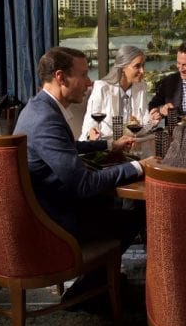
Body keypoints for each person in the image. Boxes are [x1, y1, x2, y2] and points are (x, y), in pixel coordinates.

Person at [13, 46, 148, 249]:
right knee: (138, 212)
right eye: (84, 74)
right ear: (60, 77)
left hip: (49, 205)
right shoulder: (46, 120)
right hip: (55, 222)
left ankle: (102, 276)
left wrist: (110, 144)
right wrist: (140, 166)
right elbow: (84, 184)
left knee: (111, 203)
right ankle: (94, 280)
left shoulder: (38, 107)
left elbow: (67, 146)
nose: (89, 82)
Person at [81, 45, 160, 140]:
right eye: (137, 66)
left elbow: (143, 120)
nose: (142, 71)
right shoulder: (102, 87)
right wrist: (91, 133)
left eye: (143, 65)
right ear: (123, 67)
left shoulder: (141, 86)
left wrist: (152, 120)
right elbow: (91, 121)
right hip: (106, 144)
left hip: (133, 142)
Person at [148, 39, 186, 119]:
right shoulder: (169, 82)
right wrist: (161, 110)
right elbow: (152, 107)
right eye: (178, 63)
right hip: (176, 131)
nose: (181, 69)